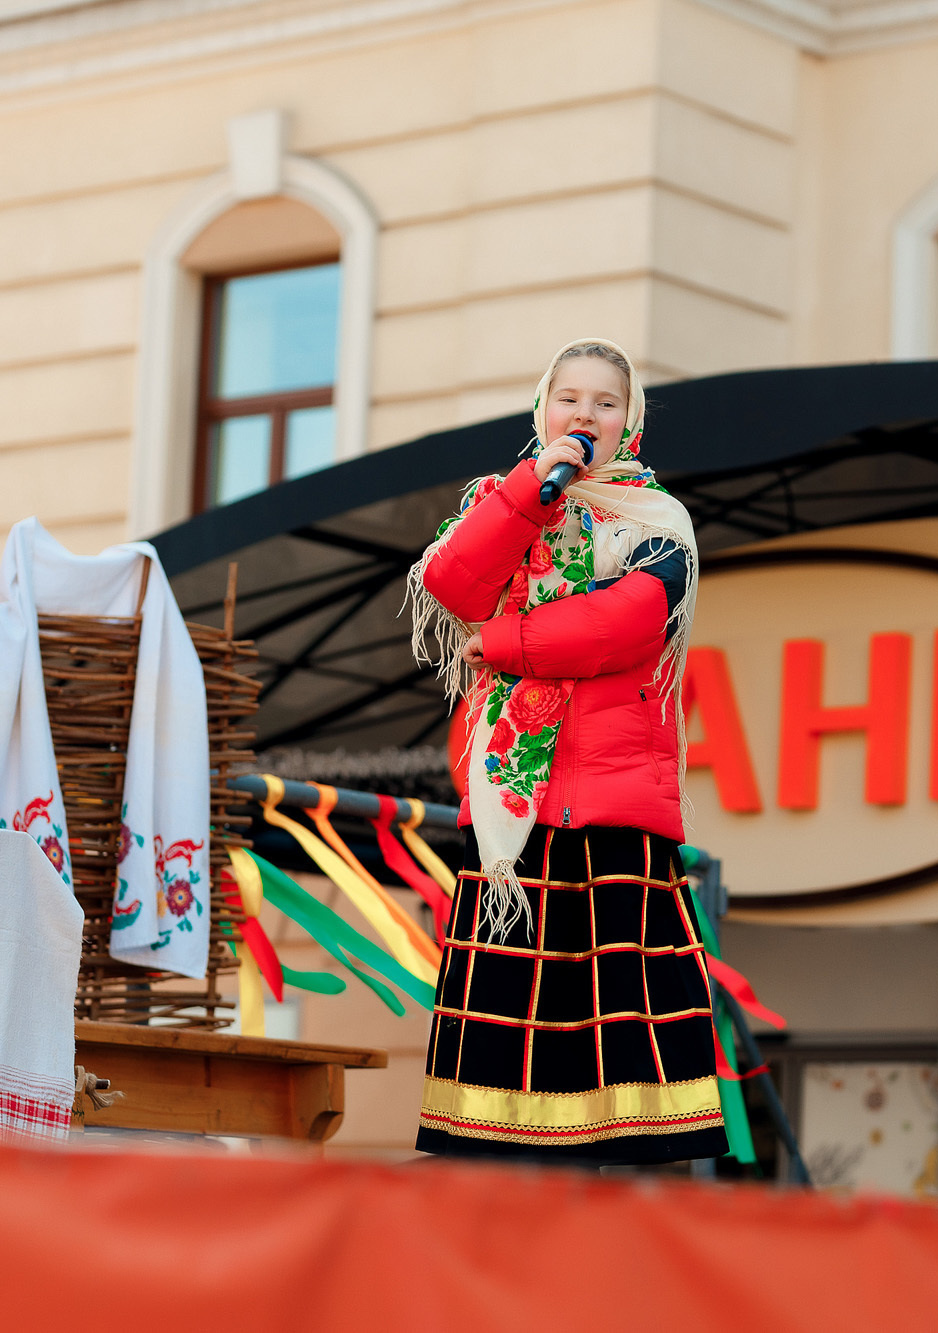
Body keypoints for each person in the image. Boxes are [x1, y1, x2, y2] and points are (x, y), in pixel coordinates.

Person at [406, 337, 726, 1164]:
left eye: (605, 403)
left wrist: (503, 642)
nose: (585, 414)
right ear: (543, 410)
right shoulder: (504, 502)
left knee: (610, 1053)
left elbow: (624, 626)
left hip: (614, 809)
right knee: (506, 1046)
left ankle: (597, 1216)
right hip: (516, 810)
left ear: (630, 422)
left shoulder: (658, 521)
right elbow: (454, 582)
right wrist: (530, 492)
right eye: (569, 398)